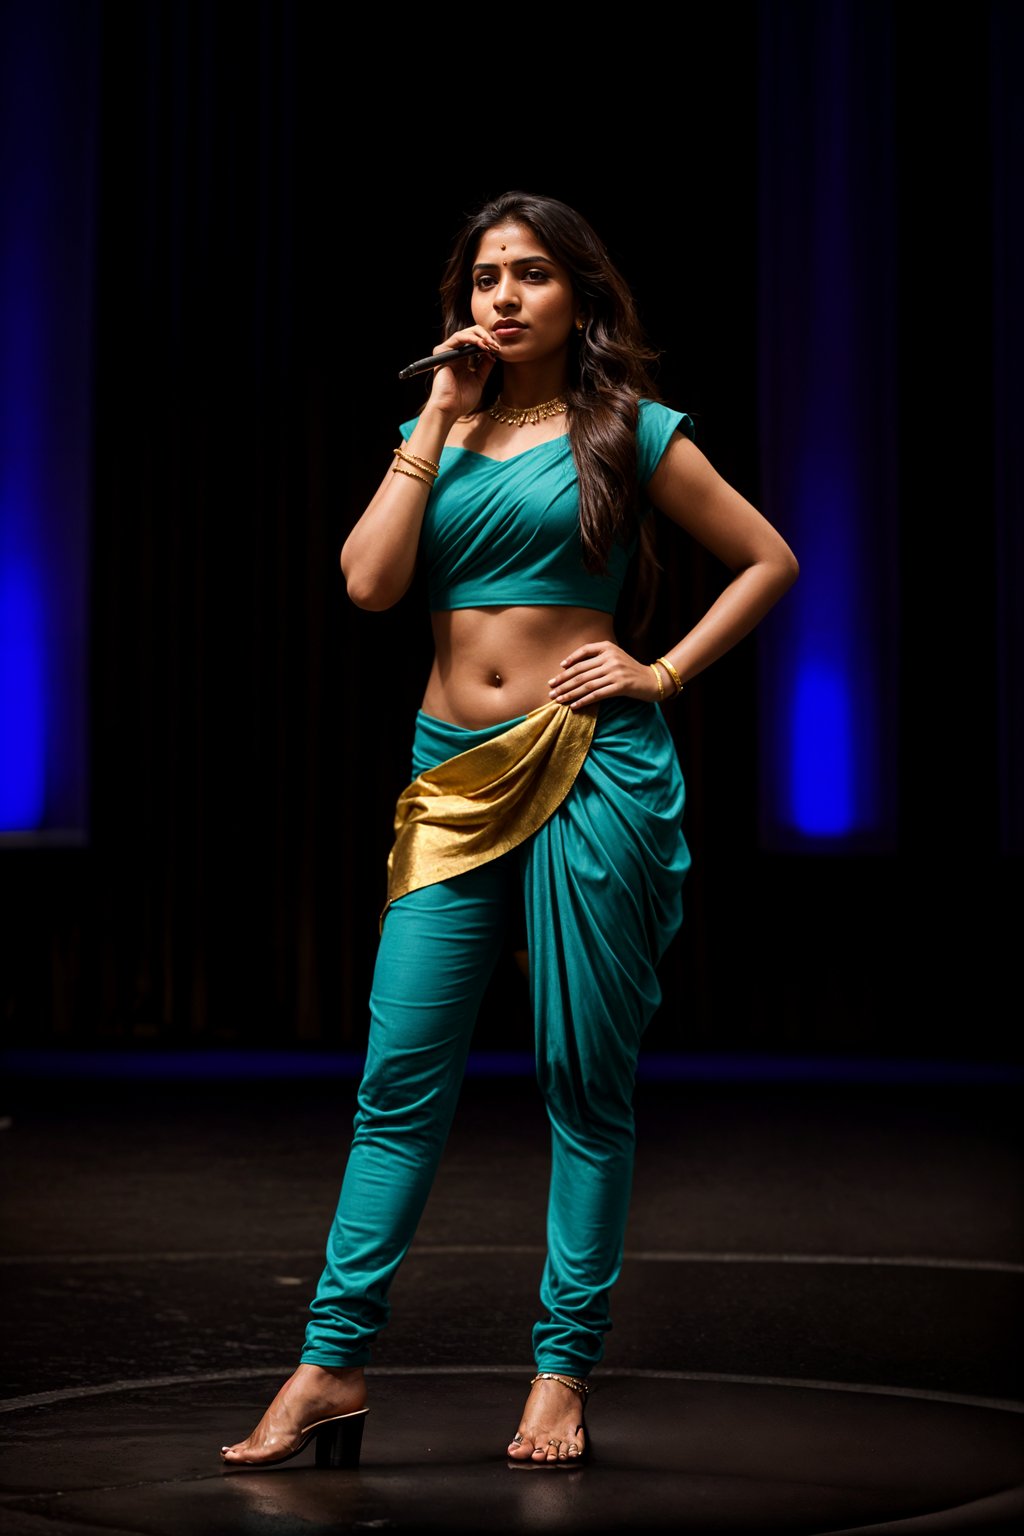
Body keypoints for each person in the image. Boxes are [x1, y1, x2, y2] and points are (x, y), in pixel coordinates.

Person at [219, 189, 798, 1471]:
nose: (503, 295)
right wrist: (436, 415)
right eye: (485, 274)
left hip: (592, 766)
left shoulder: (630, 432)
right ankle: (329, 1366)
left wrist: (660, 673)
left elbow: (768, 557)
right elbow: (369, 585)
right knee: (394, 1086)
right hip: (450, 778)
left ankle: (559, 1373)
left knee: (582, 1085)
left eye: (532, 274)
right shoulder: (439, 426)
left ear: (579, 297)